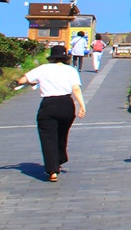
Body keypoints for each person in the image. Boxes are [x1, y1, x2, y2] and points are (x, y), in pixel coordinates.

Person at [14, 45, 86, 182]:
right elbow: (76, 89)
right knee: (61, 134)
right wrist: (82, 106)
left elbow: (22, 80)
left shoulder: (42, 69)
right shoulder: (71, 70)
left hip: (49, 104)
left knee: (48, 137)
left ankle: (52, 170)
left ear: (52, 57)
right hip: (66, 104)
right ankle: (58, 160)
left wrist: (27, 82)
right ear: (65, 57)